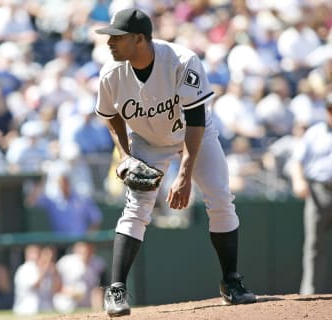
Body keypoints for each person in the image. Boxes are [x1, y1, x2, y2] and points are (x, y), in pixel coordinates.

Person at [94, 8, 257, 317]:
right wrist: (126, 154)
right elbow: (110, 115)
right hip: (147, 142)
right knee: (136, 208)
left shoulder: (182, 61)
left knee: (221, 200)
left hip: (194, 136)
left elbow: (195, 120)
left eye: (118, 37)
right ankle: (116, 290)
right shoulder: (111, 73)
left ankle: (231, 283)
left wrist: (184, 173)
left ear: (139, 38)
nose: (110, 43)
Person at [290, 94, 332, 295]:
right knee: (314, 244)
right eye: (330, 108)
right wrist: (298, 180)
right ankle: (310, 293)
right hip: (318, 191)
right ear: (326, 110)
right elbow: (297, 160)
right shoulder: (315, 133)